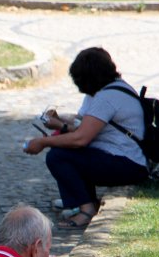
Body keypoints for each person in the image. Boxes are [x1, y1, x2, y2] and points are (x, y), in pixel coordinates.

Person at [24, 47, 149, 229]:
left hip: (129, 164)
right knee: (66, 152)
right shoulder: (115, 87)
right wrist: (59, 122)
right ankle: (79, 202)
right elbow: (84, 126)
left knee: (58, 156)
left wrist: (42, 142)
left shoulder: (106, 97)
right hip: (128, 160)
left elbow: (81, 138)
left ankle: (86, 209)